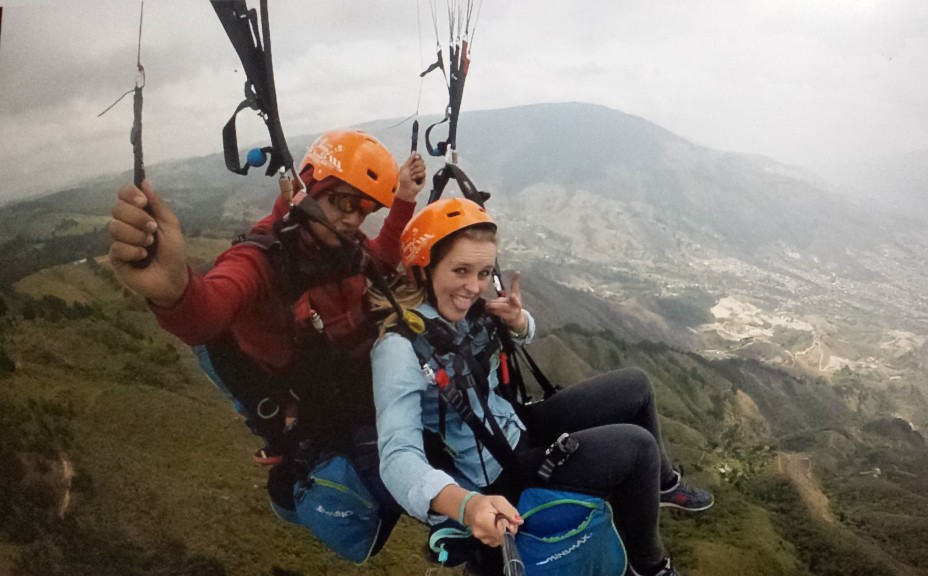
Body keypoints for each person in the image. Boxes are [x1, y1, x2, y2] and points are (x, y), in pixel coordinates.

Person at [108, 129, 426, 542]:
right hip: (306, 394)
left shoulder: (337, 243)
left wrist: (402, 200)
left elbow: (377, 260)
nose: (353, 218)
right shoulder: (263, 257)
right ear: (309, 189)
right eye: (343, 201)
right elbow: (211, 307)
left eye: (364, 209)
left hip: (341, 374)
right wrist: (174, 292)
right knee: (377, 472)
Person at [371, 198, 713, 576]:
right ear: (425, 268)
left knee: (635, 386)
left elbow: (523, 336)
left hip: (516, 426)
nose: (473, 286)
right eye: (461, 270)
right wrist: (466, 506)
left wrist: (519, 321)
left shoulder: (463, 312)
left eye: (484, 272)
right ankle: (650, 567)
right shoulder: (399, 349)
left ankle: (662, 488)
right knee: (638, 448)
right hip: (497, 475)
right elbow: (397, 457)